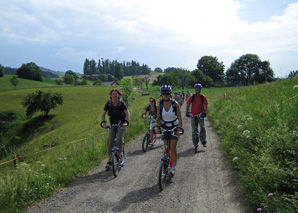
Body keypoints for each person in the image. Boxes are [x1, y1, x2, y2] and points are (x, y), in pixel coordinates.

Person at [156, 85, 183, 176]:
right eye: (163, 93)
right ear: (161, 94)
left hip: (174, 127)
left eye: (167, 93)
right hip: (164, 127)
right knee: (166, 148)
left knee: (172, 148)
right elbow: (158, 118)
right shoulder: (160, 105)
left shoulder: (175, 104)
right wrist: (158, 128)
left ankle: (173, 167)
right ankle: (166, 163)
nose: (165, 95)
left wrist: (179, 129)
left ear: (170, 94)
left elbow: (179, 118)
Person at [101, 89, 130, 171]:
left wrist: (126, 122)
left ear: (118, 95)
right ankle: (109, 162)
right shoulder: (109, 103)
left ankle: (120, 156)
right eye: (113, 94)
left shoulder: (121, 103)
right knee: (110, 142)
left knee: (119, 139)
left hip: (121, 124)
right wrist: (104, 123)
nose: (114, 95)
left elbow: (127, 112)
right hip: (112, 124)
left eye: (116, 94)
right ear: (110, 95)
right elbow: (103, 113)